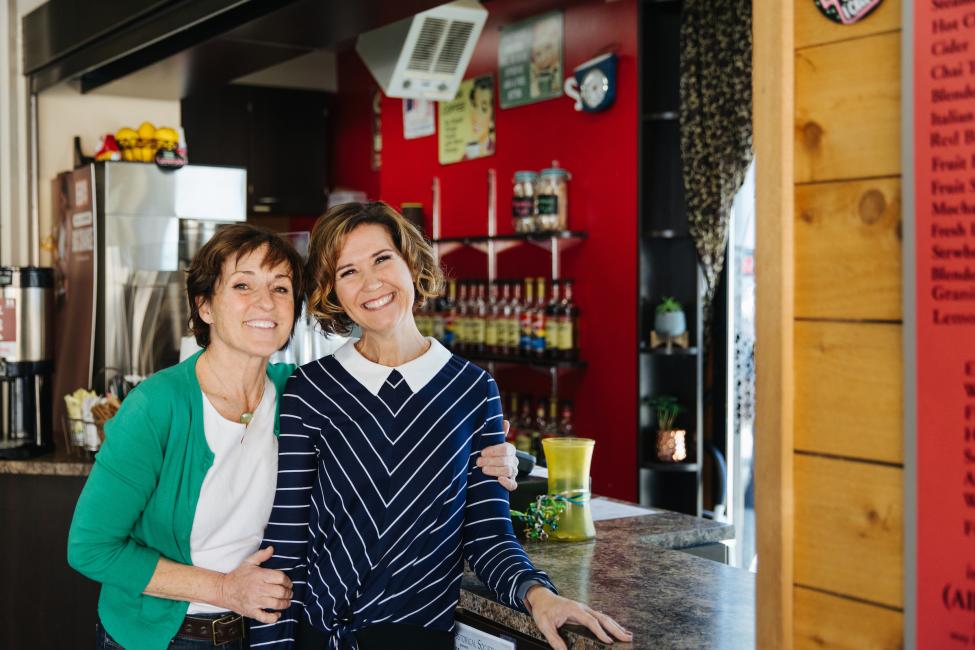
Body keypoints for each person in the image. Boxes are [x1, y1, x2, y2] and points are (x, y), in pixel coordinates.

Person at [67, 224, 519, 650]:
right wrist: (225, 588)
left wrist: (495, 458)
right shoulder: (156, 406)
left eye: (281, 288)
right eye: (243, 285)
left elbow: (391, 438)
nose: (265, 302)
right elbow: (90, 548)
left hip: (262, 630)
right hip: (170, 635)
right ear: (204, 305)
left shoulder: (298, 392)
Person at [251, 202, 633, 650]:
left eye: (382, 259)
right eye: (348, 272)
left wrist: (538, 595)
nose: (372, 283)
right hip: (317, 636)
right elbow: (287, 539)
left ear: (411, 261)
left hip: (417, 638)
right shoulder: (310, 388)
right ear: (332, 291)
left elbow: (489, 536)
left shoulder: (474, 390)